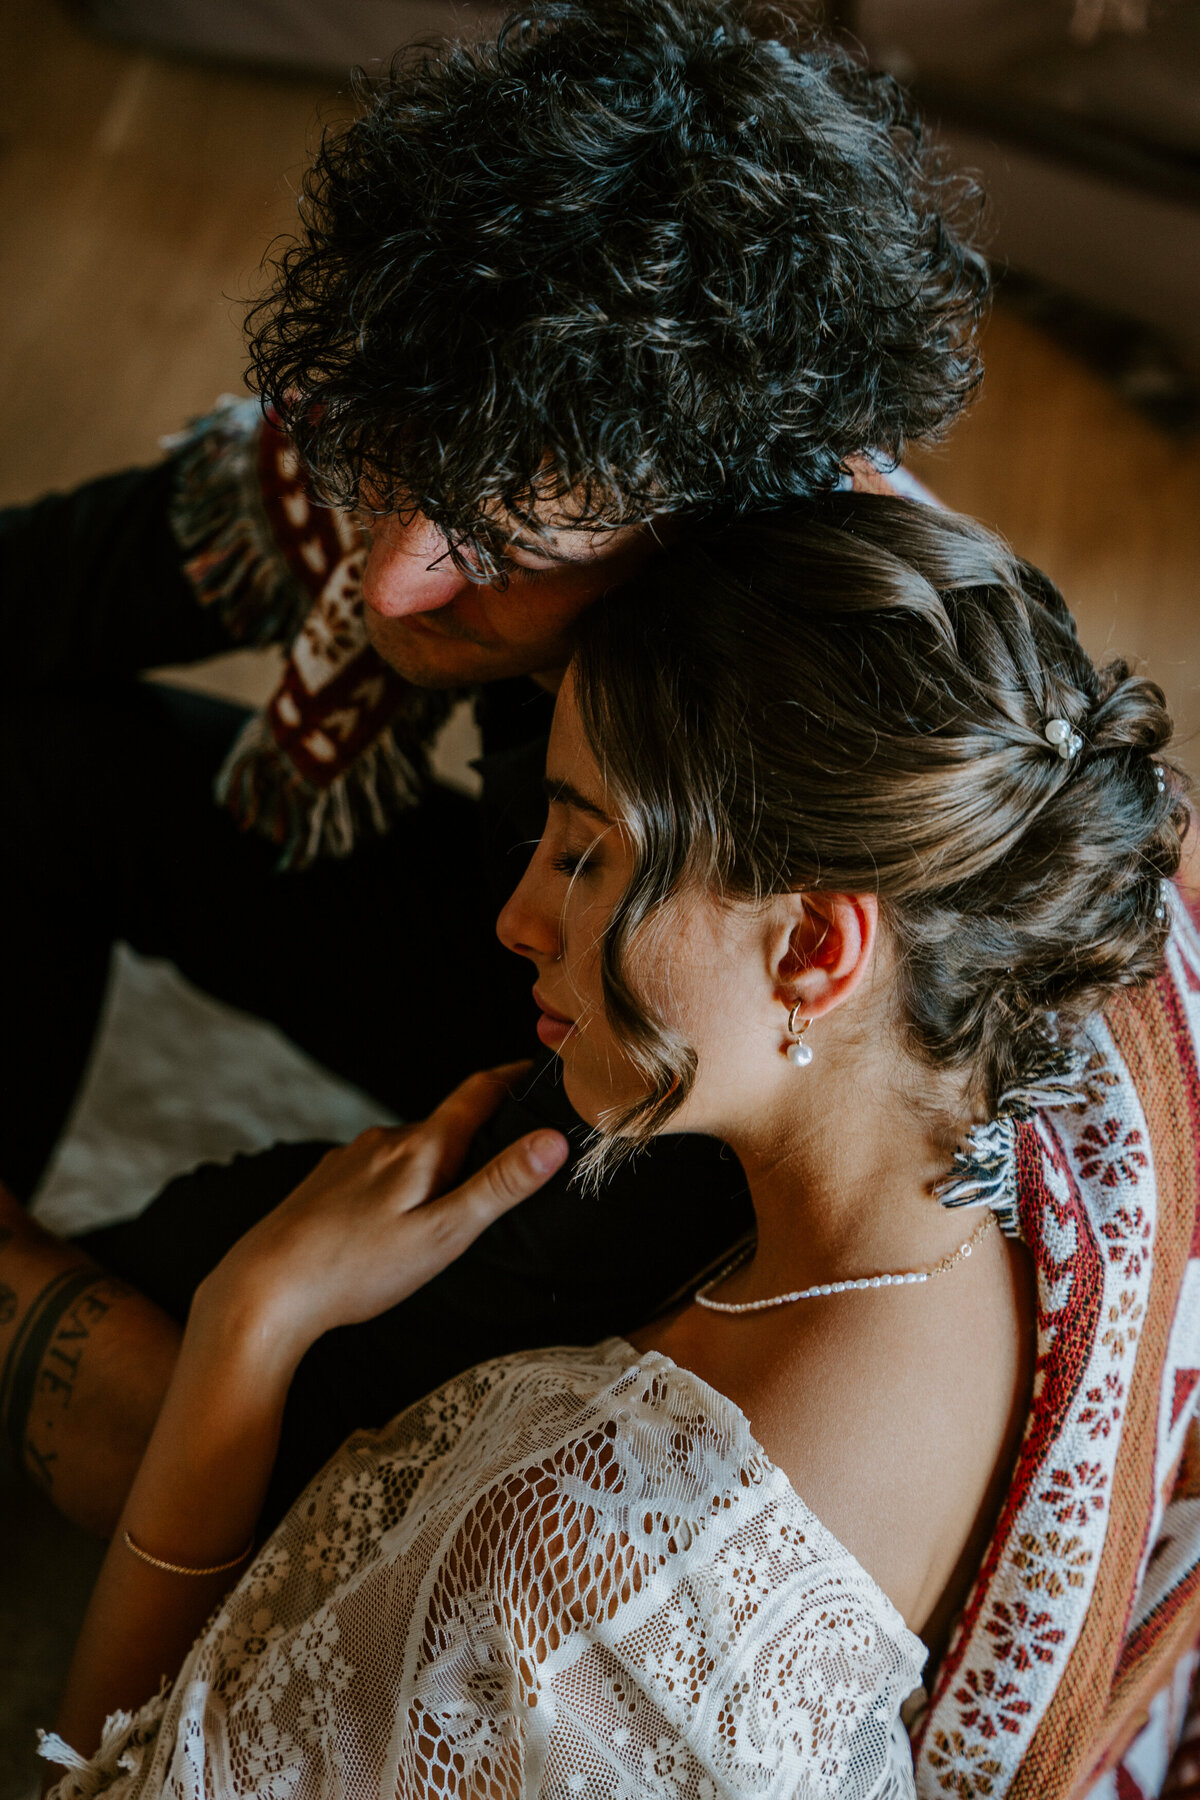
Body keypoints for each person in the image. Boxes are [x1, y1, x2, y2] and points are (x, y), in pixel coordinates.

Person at [0, 0, 990, 1534]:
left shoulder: (755, 796)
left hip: (663, 1112)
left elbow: (547, 1240)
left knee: (180, 1332)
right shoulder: (490, 407)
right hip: (536, 961)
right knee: (36, 757)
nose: (389, 581)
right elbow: (67, 576)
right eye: (378, 471)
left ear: (694, 534)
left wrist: (196, 1295)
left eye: (494, 549)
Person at [39, 496, 1200, 1798]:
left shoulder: (580, 1582)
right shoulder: (1000, 1199)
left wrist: (246, 1323)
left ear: (817, 948)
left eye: (587, 857)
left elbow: (105, 1786)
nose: (520, 914)